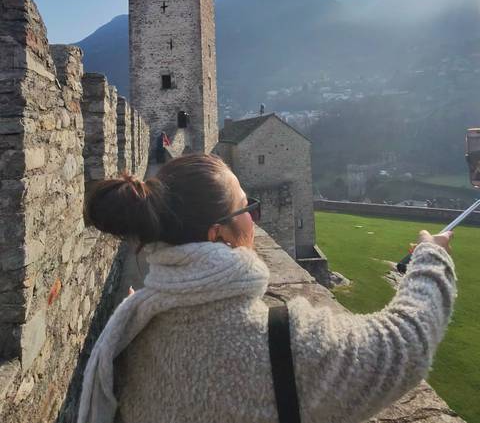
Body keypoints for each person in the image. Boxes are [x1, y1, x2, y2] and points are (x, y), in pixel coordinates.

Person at [78, 153, 456, 423]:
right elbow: (405, 344)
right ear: (219, 234)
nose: (253, 219)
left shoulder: (133, 332)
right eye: (247, 209)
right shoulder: (285, 343)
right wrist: (430, 257)